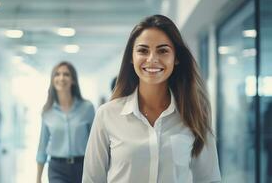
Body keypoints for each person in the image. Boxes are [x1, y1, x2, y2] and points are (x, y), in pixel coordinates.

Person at [82, 15, 221, 183]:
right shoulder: (107, 115)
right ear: (131, 58)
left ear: (176, 57)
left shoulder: (195, 114)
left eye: (163, 50)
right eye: (143, 50)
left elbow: (209, 178)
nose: (152, 59)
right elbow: (92, 179)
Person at [36, 61, 95, 183]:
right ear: (53, 80)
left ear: (73, 80)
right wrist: (38, 178)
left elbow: (95, 143)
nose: (61, 77)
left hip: (83, 167)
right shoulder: (47, 111)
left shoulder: (87, 108)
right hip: (57, 168)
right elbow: (42, 145)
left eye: (66, 74)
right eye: (57, 74)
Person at [263, 101, 272, 183]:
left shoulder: (266, 114)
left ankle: (268, 177)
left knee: (269, 161)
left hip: (268, 141)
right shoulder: (267, 114)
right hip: (269, 141)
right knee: (269, 161)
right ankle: (268, 177)